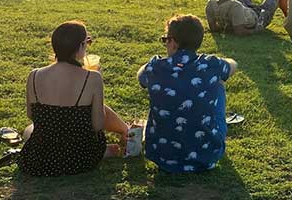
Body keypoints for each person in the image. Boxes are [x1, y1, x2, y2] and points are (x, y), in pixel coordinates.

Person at [18, 21, 131, 176]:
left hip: (38, 160)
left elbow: (31, 115)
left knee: (29, 130)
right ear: (80, 47)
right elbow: (97, 125)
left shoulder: (34, 75)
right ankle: (124, 135)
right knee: (93, 114)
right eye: (87, 42)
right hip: (81, 159)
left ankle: (119, 137)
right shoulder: (92, 78)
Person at [138, 14, 237, 173]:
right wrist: (216, 63)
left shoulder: (155, 67)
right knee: (218, 85)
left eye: (166, 39)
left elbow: (140, 77)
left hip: (162, 156)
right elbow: (233, 64)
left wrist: (156, 62)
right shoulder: (210, 64)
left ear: (173, 42)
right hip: (207, 156)